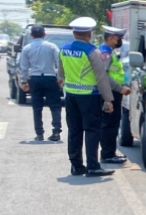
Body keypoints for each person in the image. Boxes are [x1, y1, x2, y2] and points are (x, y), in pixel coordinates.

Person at [59, 17, 115, 177]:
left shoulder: (64, 49)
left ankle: (76, 166)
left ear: (75, 32)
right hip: (89, 96)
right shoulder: (92, 51)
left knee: (74, 130)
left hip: (70, 95)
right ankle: (92, 166)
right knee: (92, 130)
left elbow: (61, 73)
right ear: (89, 33)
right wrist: (108, 99)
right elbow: (101, 77)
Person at [18, 24, 62, 142]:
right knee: (55, 106)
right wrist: (60, 78)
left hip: (35, 79)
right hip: (50, 78)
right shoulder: (52, 46)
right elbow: (59, 63)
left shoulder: (27, 48)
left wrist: (24, 81)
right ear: (44, 34)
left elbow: (24, 67)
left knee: (37, 107)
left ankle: (39, 133)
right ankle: (56, 131)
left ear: (31, 35)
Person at [98, 25, 131, 164]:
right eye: (119, 38)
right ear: (111, 38)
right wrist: (119, 88)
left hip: (113, 92)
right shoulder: (106, 53)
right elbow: (103, 75)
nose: (120, 41)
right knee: (109, 124)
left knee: (111, 123)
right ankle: (107, 154)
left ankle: (109, 153)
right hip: (110, 92)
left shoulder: (108, 51)